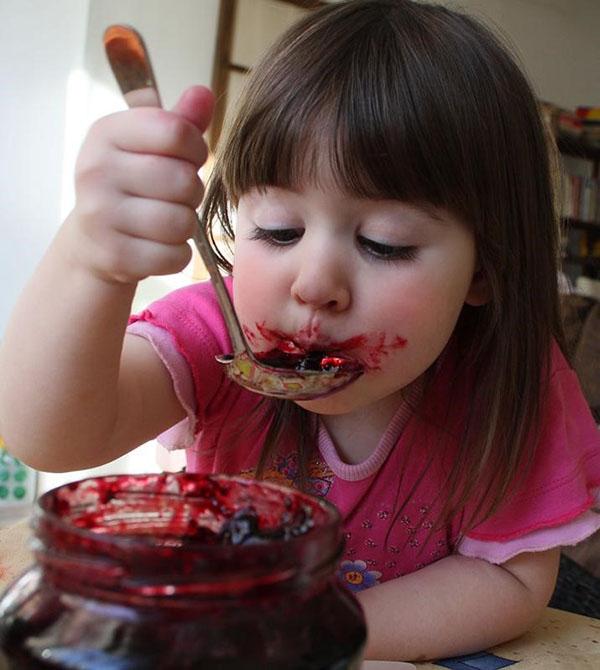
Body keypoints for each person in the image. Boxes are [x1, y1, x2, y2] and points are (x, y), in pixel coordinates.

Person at [1, 0, 599, 661]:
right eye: (280, 231)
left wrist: (306, 634)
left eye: (385, 243)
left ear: (485, 268)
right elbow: (51, 436)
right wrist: (90, 259)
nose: (313, 283)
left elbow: (509, 579)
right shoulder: (216, 331)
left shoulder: (513, 383)